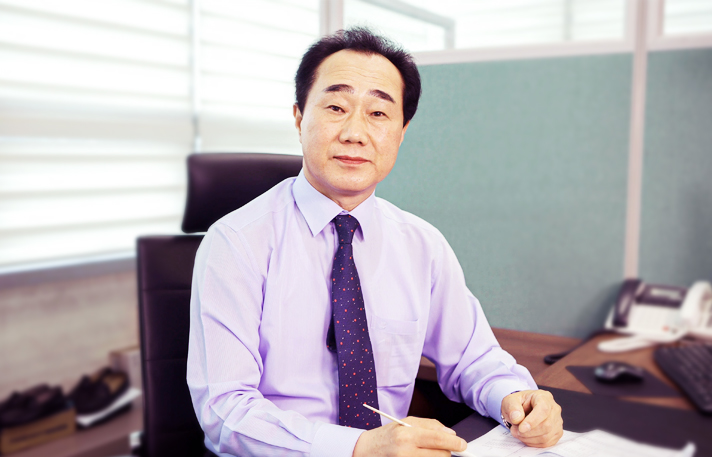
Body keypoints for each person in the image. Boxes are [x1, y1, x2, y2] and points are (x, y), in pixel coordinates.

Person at [187, 28, 563, 457]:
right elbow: (225, 411)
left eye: (379, 113)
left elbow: (473, 359)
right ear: (299, 117)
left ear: (402, 132)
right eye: (336, 107)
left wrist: (516, 397)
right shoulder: (236, 243)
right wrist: (357, 447)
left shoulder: (422, 245)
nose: (355, 132)